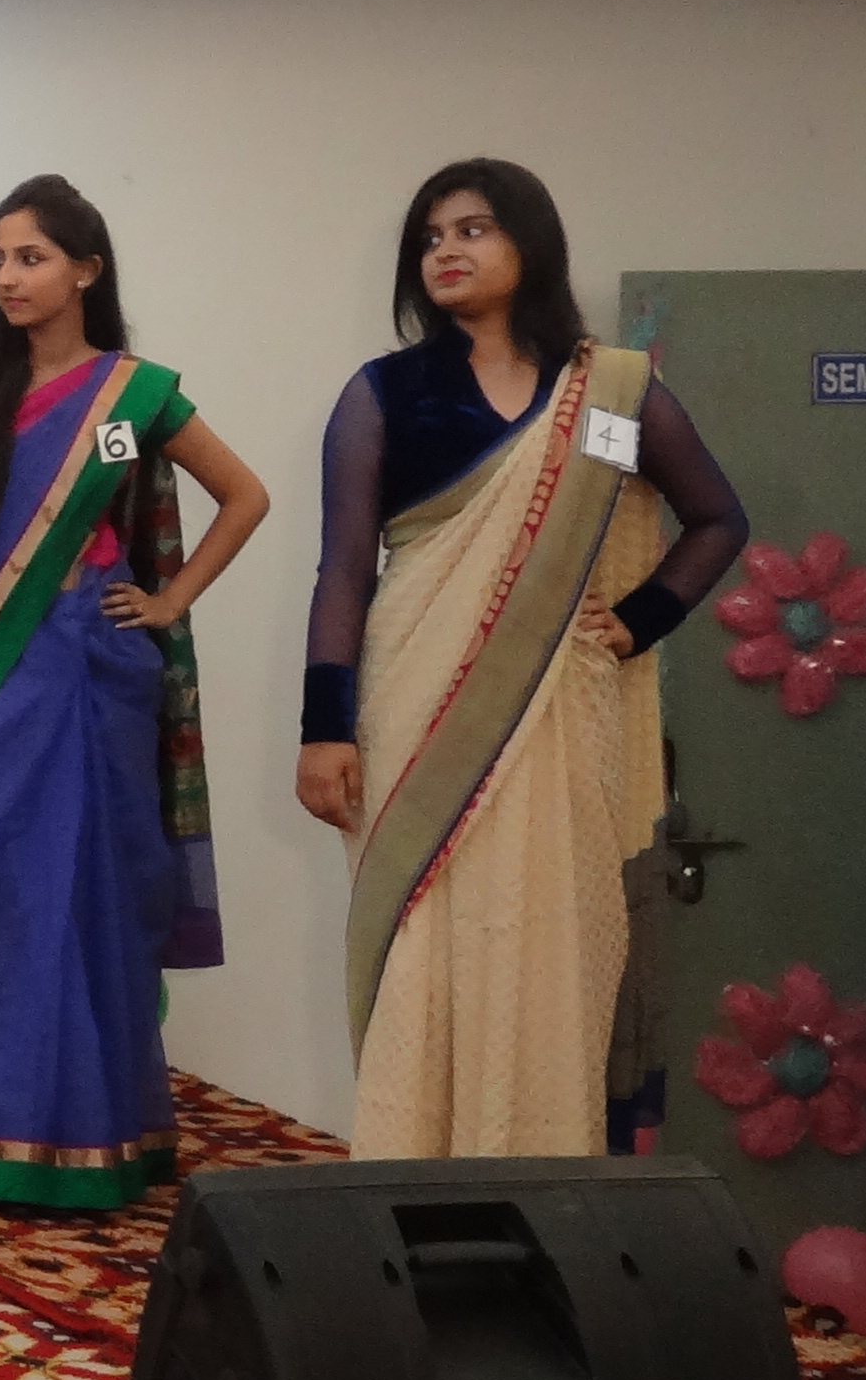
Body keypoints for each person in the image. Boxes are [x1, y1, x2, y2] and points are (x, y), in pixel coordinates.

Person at [292, 161, 746, 1158]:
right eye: (430, 238)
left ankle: (539, 1169)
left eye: (473, 229)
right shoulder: (387, 393)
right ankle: (409, 1169)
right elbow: (344, 570)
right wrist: (324, 729)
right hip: (414, 697)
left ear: (529, 243)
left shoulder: (610, 391)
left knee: (549, 927)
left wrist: (640, 619)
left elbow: (717, 520)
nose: (446, 252)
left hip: (561, 707)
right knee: (424, 929)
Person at [0, 175, 269, 1211]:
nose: (9, 277)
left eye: (32, 257)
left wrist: (169, 599)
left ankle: (87, 1135)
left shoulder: (131, 395)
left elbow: (246, 495)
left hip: (88, 674)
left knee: (80, 895)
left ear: (86, 269)